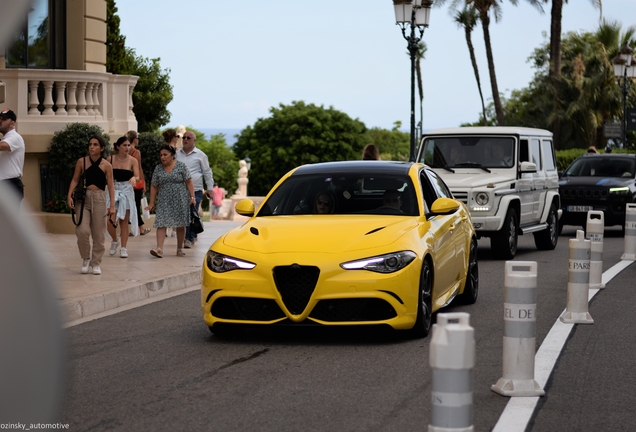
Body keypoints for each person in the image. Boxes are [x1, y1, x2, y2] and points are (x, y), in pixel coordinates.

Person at [66, 136, 116, 275]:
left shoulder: (107, 165)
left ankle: (96, 263)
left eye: (95, 145)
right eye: (90, 144)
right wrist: (69, 195)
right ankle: (86, 258)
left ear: (102, 148)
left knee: (99, 234)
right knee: (81, 231)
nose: (92, 147)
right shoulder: (82, 161)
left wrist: (112, 206)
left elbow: (111, 186)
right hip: (84, 198)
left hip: (100, 198)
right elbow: (75, 179)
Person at [146, 144, 196, 258]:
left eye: (165, 155)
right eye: (161, 155)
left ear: (172, 155)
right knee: (161, 222)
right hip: (164, 199)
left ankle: (179, 249)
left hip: (180, 198)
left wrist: (192, 197)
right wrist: (152, 202)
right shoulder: (158, 168)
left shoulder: (181, 166)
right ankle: (159, 249)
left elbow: (189, 182)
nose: (162, 157)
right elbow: (154, 185)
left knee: (180, 224)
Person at [176, 131, 214, 248]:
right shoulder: (177, 154)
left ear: (194, 141)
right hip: (180, 188)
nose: (185, 140)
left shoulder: (200, 155)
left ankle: (188, 238)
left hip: (196, 189)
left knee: (191, 212)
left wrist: (210, 188)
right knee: (185, 214)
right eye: (184, 138)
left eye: (188, 138)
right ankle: (192, 234)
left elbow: (207, 173)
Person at [106, 136, 140, 258]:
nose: (127, 148)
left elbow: (137, 176)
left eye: (128, 145)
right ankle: (115, 240)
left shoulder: (133, 160)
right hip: (113, 189)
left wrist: (134, 178)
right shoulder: (110, 159)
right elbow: (105, 174)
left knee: (124, 222)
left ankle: (124, 248)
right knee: (110, 220)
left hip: (126, 190)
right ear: (118, 147)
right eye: (124, 145)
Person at [127, 130, 151, 235]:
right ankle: (140, 228)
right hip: (135, 181)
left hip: (125, 181)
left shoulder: (124, 150)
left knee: (129, 205)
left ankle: (134, 229)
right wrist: (143, 181)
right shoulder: (136, 152)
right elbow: (139, 168)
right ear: (135, 139)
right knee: (135, 205)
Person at [0, 109, 26, 203]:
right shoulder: (4, 138)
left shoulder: (15, 137)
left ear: (12, 123)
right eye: (0, 118)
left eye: (4, 119)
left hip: (10, 186)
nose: (0, 121)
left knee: (6, 218)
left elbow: (3, 146)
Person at [162, 128, 179, 237]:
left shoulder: (162, 150)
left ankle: (166, 229)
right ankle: (174, 229)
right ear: (174, 138)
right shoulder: (176, 150)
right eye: (177, 136)